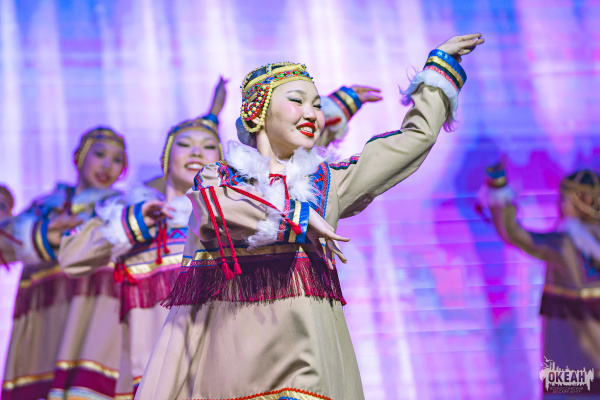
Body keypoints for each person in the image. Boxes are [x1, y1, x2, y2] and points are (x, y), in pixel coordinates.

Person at [135, 33, 484, 400]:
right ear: (257, 112)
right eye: (297, 100)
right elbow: (218, 212)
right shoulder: (220, 178)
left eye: (317, 105)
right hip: (235, 369)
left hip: (308, 370)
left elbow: (412, 142)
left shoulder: (327, 182)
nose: (312, 113)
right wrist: (295, 218)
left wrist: (438, 74)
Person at [58, 77, 379, 399]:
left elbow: (292, 148)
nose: (197, 152)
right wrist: (133, 222)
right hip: (152, 375)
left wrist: (335, 105)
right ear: (166, 157)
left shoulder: (242, 215)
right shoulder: (138, 216)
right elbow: (71, 259)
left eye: (209, 146)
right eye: (185, 144)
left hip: (218, 370)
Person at [1, 128, 127, 400]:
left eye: (117, 160)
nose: (107, 165)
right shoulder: (46, 206)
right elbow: (6, 242)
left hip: (94, 313)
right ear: (80, 156)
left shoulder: (121, 208)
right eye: (100, 154)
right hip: (44, 315)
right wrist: (44, 234)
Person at [480, 164, 600, 398]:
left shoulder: (565, 245)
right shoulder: (568, 243)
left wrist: (498, 185)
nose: (560, 205)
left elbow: (514, 234)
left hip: (573, 372)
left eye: (564, 199)